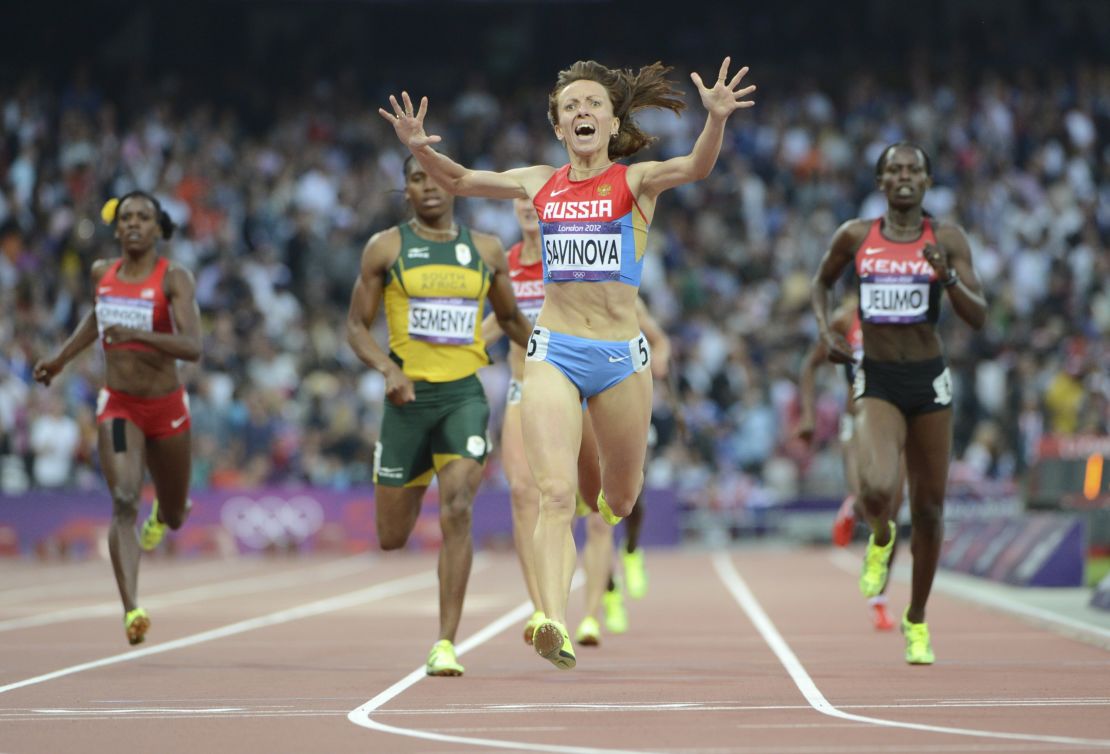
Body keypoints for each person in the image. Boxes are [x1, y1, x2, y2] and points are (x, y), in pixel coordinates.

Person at [381, 56, 755, 669]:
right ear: (558, 127)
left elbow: (697, 166)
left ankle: (606, 526)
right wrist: (421, 148)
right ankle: (550, 615)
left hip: (620, 356)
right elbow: (460, 181)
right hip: (552, 351)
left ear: (612, 122)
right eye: (570, 107)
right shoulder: (536, 181)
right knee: (553, 495)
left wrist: (714, 120)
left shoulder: (634, 183)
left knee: (621, 498)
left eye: (593, 105)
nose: (582, 113)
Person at [346, 156, 532, 677]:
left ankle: (446, 643)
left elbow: (513, 318)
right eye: (416, 179)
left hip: (462, 398)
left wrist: (554, 358)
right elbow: (356, 328)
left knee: (457, 510)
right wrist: (388, 369)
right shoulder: (386, 247)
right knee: (391, 536)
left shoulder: (486, 250)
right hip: (407, 403)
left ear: (454, 184)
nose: (428, 187)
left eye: (435, 177)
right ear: (405, 190)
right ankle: (414, 468)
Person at [810, 142, 986, 664]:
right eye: (894, 170)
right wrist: (827, 332)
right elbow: (821, 283)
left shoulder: (946, 238)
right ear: (881, 182)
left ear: (927, 181)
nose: (904, 176)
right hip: (878, 378)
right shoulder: (857, 235)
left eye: (913, 169)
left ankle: (916, 620)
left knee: (930, 509)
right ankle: (881, 536)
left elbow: (978, 315)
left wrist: (947, 276)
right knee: (878, 487)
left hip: (929, 381)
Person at [33, 191, 200, 645]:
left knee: (175, 511)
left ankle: (163, 517)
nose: (133, 224)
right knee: (124, 499)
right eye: (126, 217)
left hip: (166, 408)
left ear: (157, 228)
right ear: (117, 227)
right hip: (120, 406)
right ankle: (132, 609)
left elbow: (193, 346)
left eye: (143, 217)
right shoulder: (101, 273)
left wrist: (141, 334)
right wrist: (61, 358)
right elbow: (97, 316)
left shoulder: (174, 279)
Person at [796, 292, 904, 631]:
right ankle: (854, 506)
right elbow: (810, 365)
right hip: (856, 420)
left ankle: (879, 600)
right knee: (871, 500)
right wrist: (809, 415)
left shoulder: (905, 316)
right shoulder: (846, 319)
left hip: (895, 422)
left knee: (890, 514)